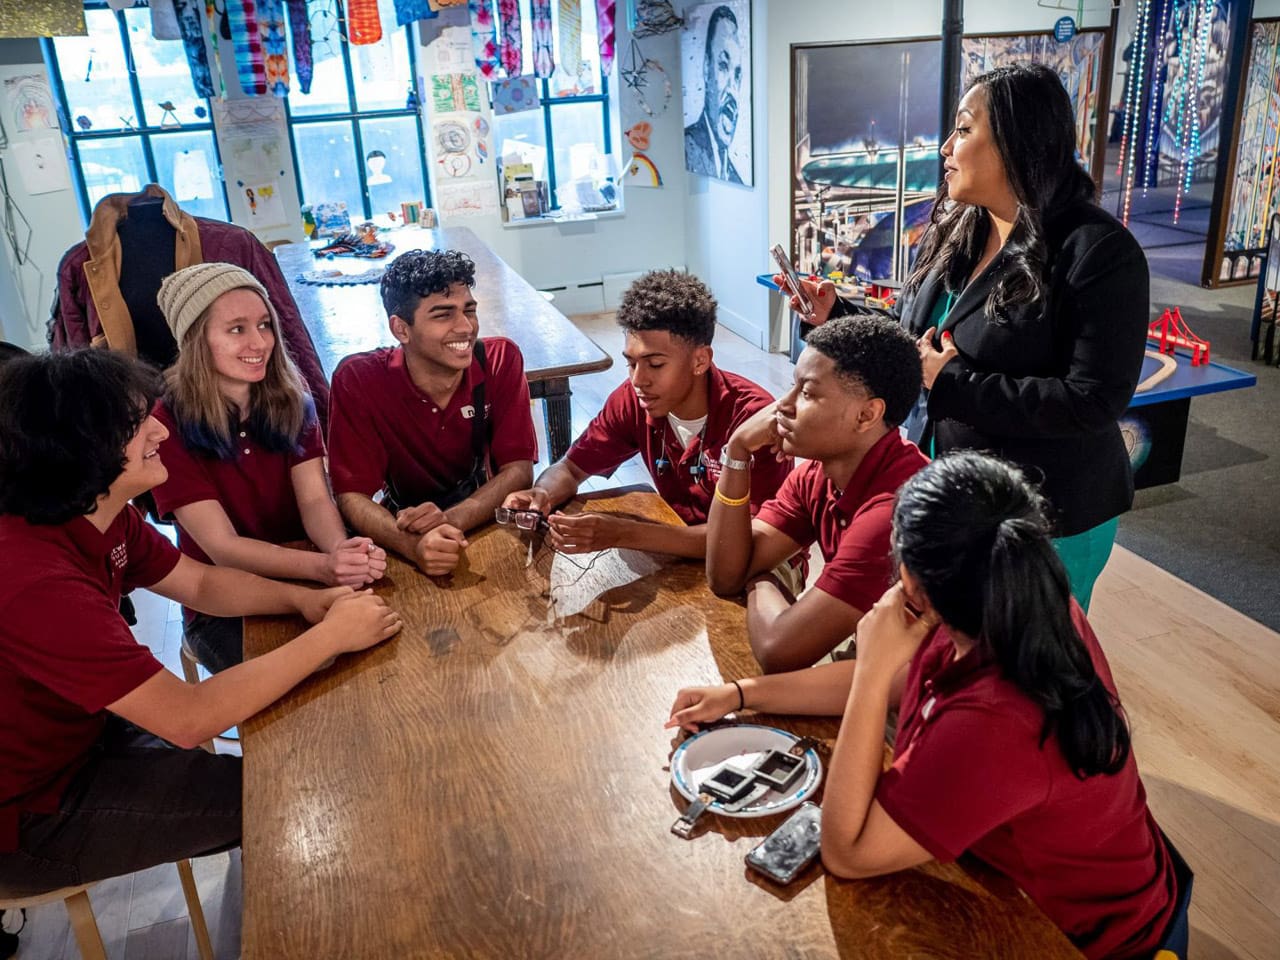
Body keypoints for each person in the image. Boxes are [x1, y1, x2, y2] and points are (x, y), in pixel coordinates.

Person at [669, 452, 1187, 960]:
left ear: (912, 583)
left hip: (1080, 939)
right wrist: (743, 693)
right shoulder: (1009, 601)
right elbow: (896, 683)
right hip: (1074, 877)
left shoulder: (995, 720)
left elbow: (848, 850)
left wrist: (872, 668)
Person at [0, 349, 400, 899]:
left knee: (291, 760)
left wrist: (302, 602)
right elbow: (188, 717)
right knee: (286, 794)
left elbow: (200, 583)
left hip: (83, 735)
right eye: (137, 424)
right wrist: (329, 636)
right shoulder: (34, 579)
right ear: (78, 447)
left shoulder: (98, 514)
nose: (159, 431)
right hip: (29, 810)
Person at [791, 64, 1149, 609]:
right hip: (952, 490)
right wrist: (834, 315)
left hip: (1045, 514)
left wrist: (954, 383)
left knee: (1020, 657)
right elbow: (915, 341)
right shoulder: (956, 228)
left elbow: (1093, 399)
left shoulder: (1098, 252)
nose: (945, 148)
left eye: (962, 129)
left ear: (1015, 139)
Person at [150, 263, 387, 673]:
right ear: (195, 341)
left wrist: (340, 551)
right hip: (224, 601)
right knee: (306, 681)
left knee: (375, 654)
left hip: (304, 567)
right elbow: (222, 547)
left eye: (264, 324)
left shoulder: (292, 398)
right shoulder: (165, 423)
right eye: (236, 329)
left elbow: (314, 500)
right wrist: (323, 567)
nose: (260, 342)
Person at [502, 270, 792, 558]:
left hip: (757, 563)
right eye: (631, 364)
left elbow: (747, 541)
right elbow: (571, 468)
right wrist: (543, 493)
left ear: (700, 360)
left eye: (655, 364)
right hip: (679, 547)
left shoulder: (753, 419)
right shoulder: (633, 400)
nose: (638, 380)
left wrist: (623, 533)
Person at [706, 316, 927, 672]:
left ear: (866, 414)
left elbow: (778, 649)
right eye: (792, 386)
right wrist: (737, 450)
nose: (783, 405)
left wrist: (763, 576)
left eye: (807, 393)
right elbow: (724, 576)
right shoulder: (817, 473)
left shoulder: (894, 512)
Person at [327, 249, 537, 577]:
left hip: (478, 521)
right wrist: (413, 545)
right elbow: (352, 496)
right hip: (399, 527)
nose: (466, 327)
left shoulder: (498, 360)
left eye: (469, 310)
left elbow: (519, 470)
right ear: (401, 329)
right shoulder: (359, 379)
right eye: (443, 315)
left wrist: (448, 521)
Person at [51, 183, 330, 426]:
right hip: (138, 424)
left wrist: (323, 417)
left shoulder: (232, 244)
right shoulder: (79, 265)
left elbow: (287, 327)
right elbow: (75, 366)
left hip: (234, 415)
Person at [683, 4, 744, 184]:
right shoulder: (687, 148)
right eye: (723, 66)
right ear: (706, 68)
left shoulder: (736, 179)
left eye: (737, 75)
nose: (732, 89)